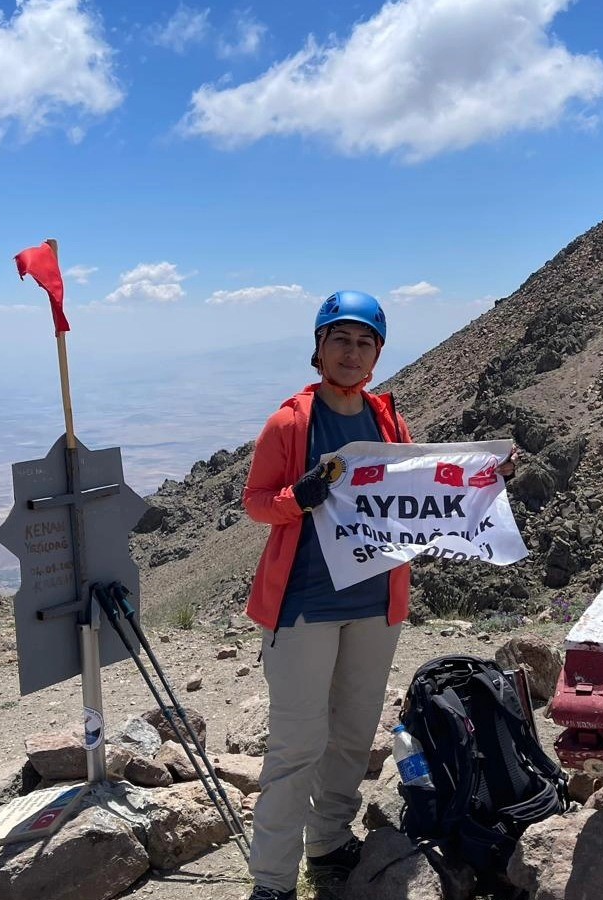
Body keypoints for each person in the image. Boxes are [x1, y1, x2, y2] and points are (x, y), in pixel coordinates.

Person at [241, 291, 412, 900]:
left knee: (352, 733)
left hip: (374, 604)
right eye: (340, 339)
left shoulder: (387, 419)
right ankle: (272, 881)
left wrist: (484, 483)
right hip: (306, 605)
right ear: (317, 348)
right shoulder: (290, 422)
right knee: (296, 744)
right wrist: (298, 498)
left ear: (377, 354)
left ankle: (330, 843)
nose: (351, 351)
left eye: (364, 342)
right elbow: (257, 501)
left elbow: (415, 491)